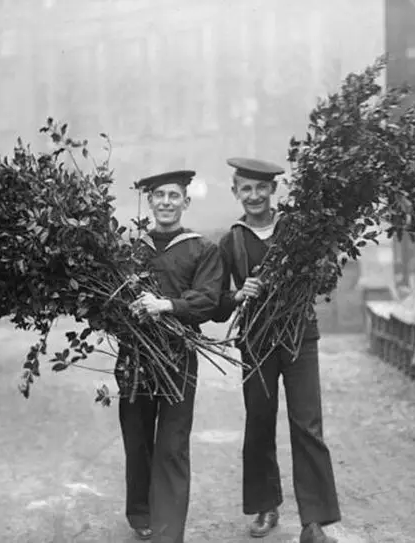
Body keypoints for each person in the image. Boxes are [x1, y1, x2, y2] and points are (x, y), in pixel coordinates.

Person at [213, 158, 341, 543]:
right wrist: (238, 294)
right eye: (246, 189)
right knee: (260, 421)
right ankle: (265, 507)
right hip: (256, 341)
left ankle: (313, 522)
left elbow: (326, 273)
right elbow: (216, 304)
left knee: (308, 424)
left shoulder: (298, 232)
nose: (254, 196)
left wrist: (318, 266)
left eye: (261, 188)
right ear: (236, 193)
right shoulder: (230, 240)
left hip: (300, 336)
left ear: (273, 191)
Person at [117, 169, 225, 543]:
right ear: (149, 202)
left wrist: (165, 305)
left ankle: (168, 530)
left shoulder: (202, 249)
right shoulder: (129, 249)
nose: (165, 202)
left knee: (173, 443)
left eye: (173, 196)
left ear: (185, 202)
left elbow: (209, 300)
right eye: (159, 196)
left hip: (178, 356)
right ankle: (141, 513)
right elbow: (108, 302)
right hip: (135, 355)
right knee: (138, 437)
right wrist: (122, 311)